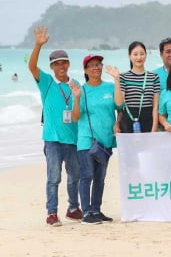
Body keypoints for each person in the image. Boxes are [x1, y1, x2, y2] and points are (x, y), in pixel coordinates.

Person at [28, 25, 82, 226]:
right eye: (57, 64)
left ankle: (73, 208)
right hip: (52, 139)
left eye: (64, 63)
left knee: (74, 176)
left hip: (73, 138)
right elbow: (32, 67)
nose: (61, 66)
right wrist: (38, 45)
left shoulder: (75, 84)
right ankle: (52, 213)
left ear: (68, 64)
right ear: (52, 67)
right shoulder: (47, 83)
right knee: (54, 178)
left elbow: (79, 113)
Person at [69, 54, 116, 225]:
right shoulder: (81, 90)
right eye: (92, 65)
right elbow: (75, 117)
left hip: (105, 141)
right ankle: (87, 212)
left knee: (100, 178)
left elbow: (120, 108)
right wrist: (77, 98)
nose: (96, 67)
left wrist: (117, 124)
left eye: (98, 64)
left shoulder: (110, 87)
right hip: (86, 140)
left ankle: (96, 209)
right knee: (87, 175)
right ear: (86, 70)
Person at [107, 41, 160, 133]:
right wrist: (116, 79)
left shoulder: (154, 77)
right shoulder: (123, 77)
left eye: (142, 54)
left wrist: (154, 127)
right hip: (128, 120)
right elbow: (119, 102)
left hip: (148, 120)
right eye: (135, 54)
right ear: (129, 56)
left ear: (146, 55)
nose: (139, 57)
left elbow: (155, 106)